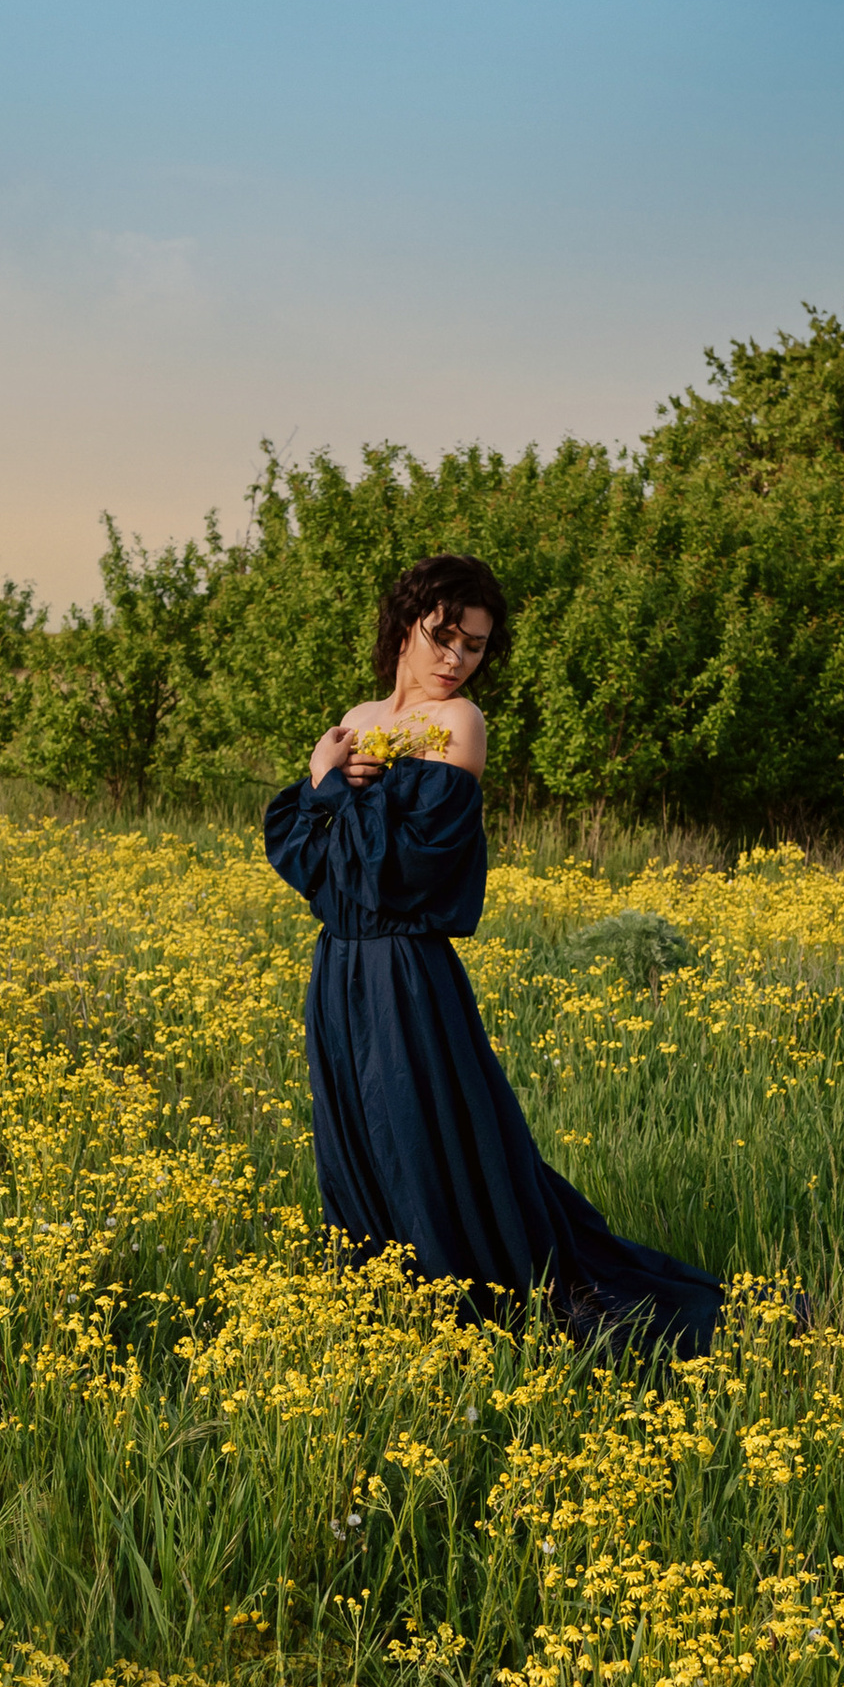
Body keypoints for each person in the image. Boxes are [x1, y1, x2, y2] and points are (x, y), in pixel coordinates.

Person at [262, 553, 723, 1352]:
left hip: (407, 969)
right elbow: (310, 865)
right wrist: (318, 783)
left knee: (425, 1131)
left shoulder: (459, 724)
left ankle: (473, 1301)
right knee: (359, 1138)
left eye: (473, 646)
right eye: (443, 636)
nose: (455, 658)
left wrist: (336, 790)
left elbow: (405, 871)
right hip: (339, 967)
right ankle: (388, 1304)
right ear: (406, 625)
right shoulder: (358, 714)